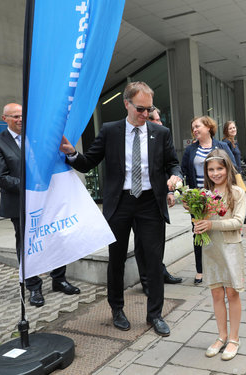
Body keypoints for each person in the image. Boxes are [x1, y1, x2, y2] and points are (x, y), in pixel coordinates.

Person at [60, 81, 182, 336]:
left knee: (153, 260)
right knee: (116, 259)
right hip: (120, 204)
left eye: (148, 109)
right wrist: (72, 153)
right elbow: (88, 162)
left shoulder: (161, 133)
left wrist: (175, 177)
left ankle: (155, 315)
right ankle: (116, 309)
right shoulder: (110, 131)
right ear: (126, 104)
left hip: (151, 203)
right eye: (140, 108)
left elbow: (173, 163)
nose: (145, 114)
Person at [0, 103, 80, 307]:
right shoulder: (0, 142)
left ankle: (59, 279)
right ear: (4, 118)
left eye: (22, 116)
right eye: (15, 116)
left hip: (48, 199)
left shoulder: (36, 137)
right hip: (20, 202)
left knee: (57, 236)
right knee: (28, 245)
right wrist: (30, 187)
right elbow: (1, 177)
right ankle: (33, 287)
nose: (20, 119)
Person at [193, 148, 246, 361]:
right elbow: (200, 220)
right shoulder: (203, 194)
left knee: (232, 293)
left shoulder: (237, 192)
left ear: (227, 168)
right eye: (211, 169)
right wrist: (196, 221)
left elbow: (239, 222)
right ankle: (221, 336)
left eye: (219, 168)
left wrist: (211, 224)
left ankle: (234, 338)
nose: (216, 173)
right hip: (210, 249)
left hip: (231, 248)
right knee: (216, 293)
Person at [181, 116, 237, 285]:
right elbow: (183, 171)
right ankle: (200, 270)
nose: (195, 130)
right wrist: (184, 194)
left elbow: (233, 169)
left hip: (219, 197)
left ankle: (222, 265)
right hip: (198, 200)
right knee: (198, 232)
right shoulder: (191, 150)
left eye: (197, 126)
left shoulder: (222, 146)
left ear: (208, 127)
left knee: (219, 231)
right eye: (193, 128)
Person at [133, 108, 182, 295]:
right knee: (142, 242)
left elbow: (168, 166)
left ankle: (160, 272)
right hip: (138, 199)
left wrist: (169, 191)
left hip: (158, 197)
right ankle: (146, 280)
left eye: (160, 119)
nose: (159, 123)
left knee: (157, 241)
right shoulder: (138, 140)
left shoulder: (161, 137)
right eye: (156, 119)